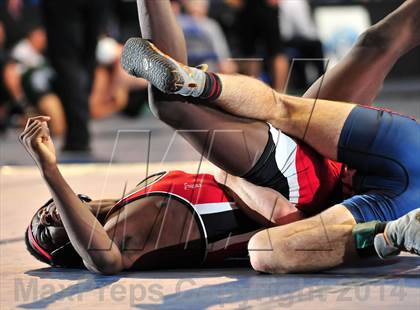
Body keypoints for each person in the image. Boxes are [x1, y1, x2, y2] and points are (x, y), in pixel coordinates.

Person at [121, 0, 420, 273]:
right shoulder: (389, 204)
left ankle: (198, 81)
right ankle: (191, 82)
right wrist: (388, 237)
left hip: (395, 151)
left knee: (366, 51)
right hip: (313, 180)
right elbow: (270, 248)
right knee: (171, 106)